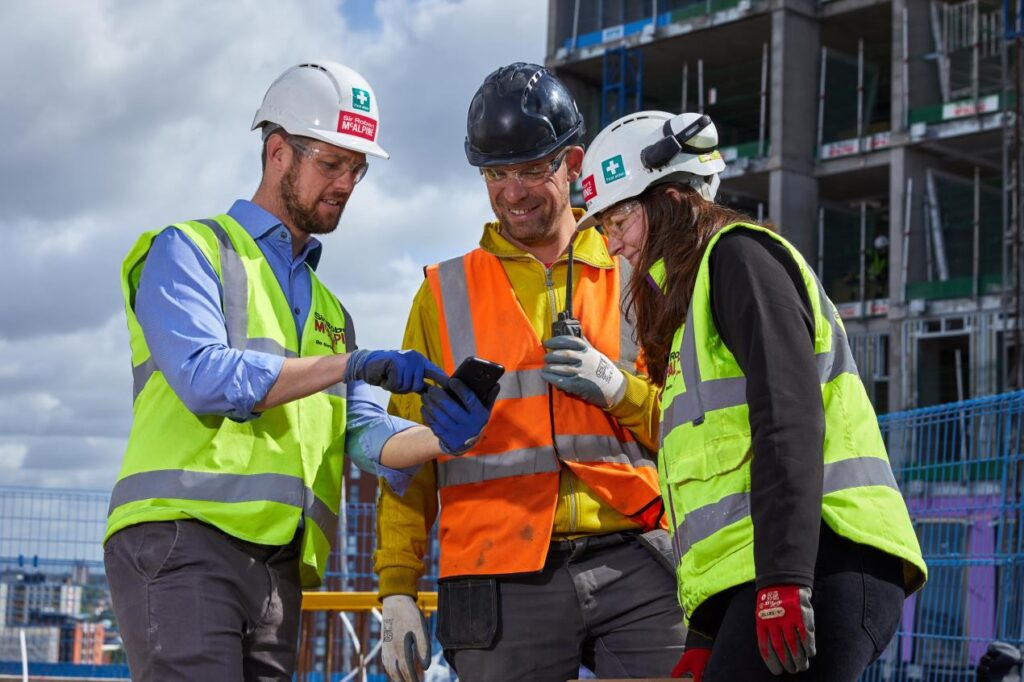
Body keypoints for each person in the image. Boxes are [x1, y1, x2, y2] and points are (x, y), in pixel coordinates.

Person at [104, 61, 494, 682]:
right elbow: (206, 377)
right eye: (332, 164)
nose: (347, 183)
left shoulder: (332, 312)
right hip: (182, 540)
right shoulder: (188, 250)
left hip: (278, 568)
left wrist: (446, 437)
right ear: (279, 152)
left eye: (358, 169)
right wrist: (353, 364)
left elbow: (363, 435)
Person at [574, 109, 928, 681]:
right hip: (785, 570)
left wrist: (785, 581)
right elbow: (727, 493)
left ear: (668, 197)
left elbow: (787, 419)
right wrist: (705, 634)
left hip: (824, 562)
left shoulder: (739, 258)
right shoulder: (696, 304)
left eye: (618, 220)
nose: (613, 247)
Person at [372, 63, 686, 682]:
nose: (512, 192)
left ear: (572, 164)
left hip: (637, 555)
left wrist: (622, 393)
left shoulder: (636, 271)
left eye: (531, 170)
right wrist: (397, 589)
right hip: (497, 573)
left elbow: (691, 420)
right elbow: (402, 455)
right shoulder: (442, 294)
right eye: (496, 174)